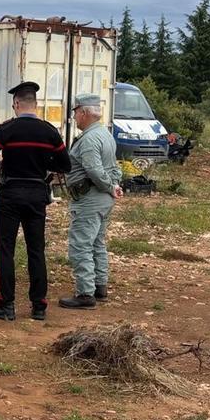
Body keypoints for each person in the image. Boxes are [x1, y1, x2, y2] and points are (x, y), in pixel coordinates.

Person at [0, 81, 72, 321]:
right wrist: (43, 166)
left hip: (10, 194)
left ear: (16, 104)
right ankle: (39, 306)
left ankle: (6, 305)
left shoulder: (7, 129)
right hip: (37, 195)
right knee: (36, 250)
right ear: (35, 105)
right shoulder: (49, 131)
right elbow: (65, 165)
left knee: (6, 249)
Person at [59, 93, 123, 309]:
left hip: (89, 198)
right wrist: (114, 185)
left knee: (81, 245)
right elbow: (114, 167)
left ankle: (85, 293)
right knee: (97, 242)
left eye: (76, 112)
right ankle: (99, 286)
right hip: (103, 199)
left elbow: (93, 169)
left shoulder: (88, 139)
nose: (75, 117)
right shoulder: (105, 134)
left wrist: (108, 186)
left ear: (84, 113)